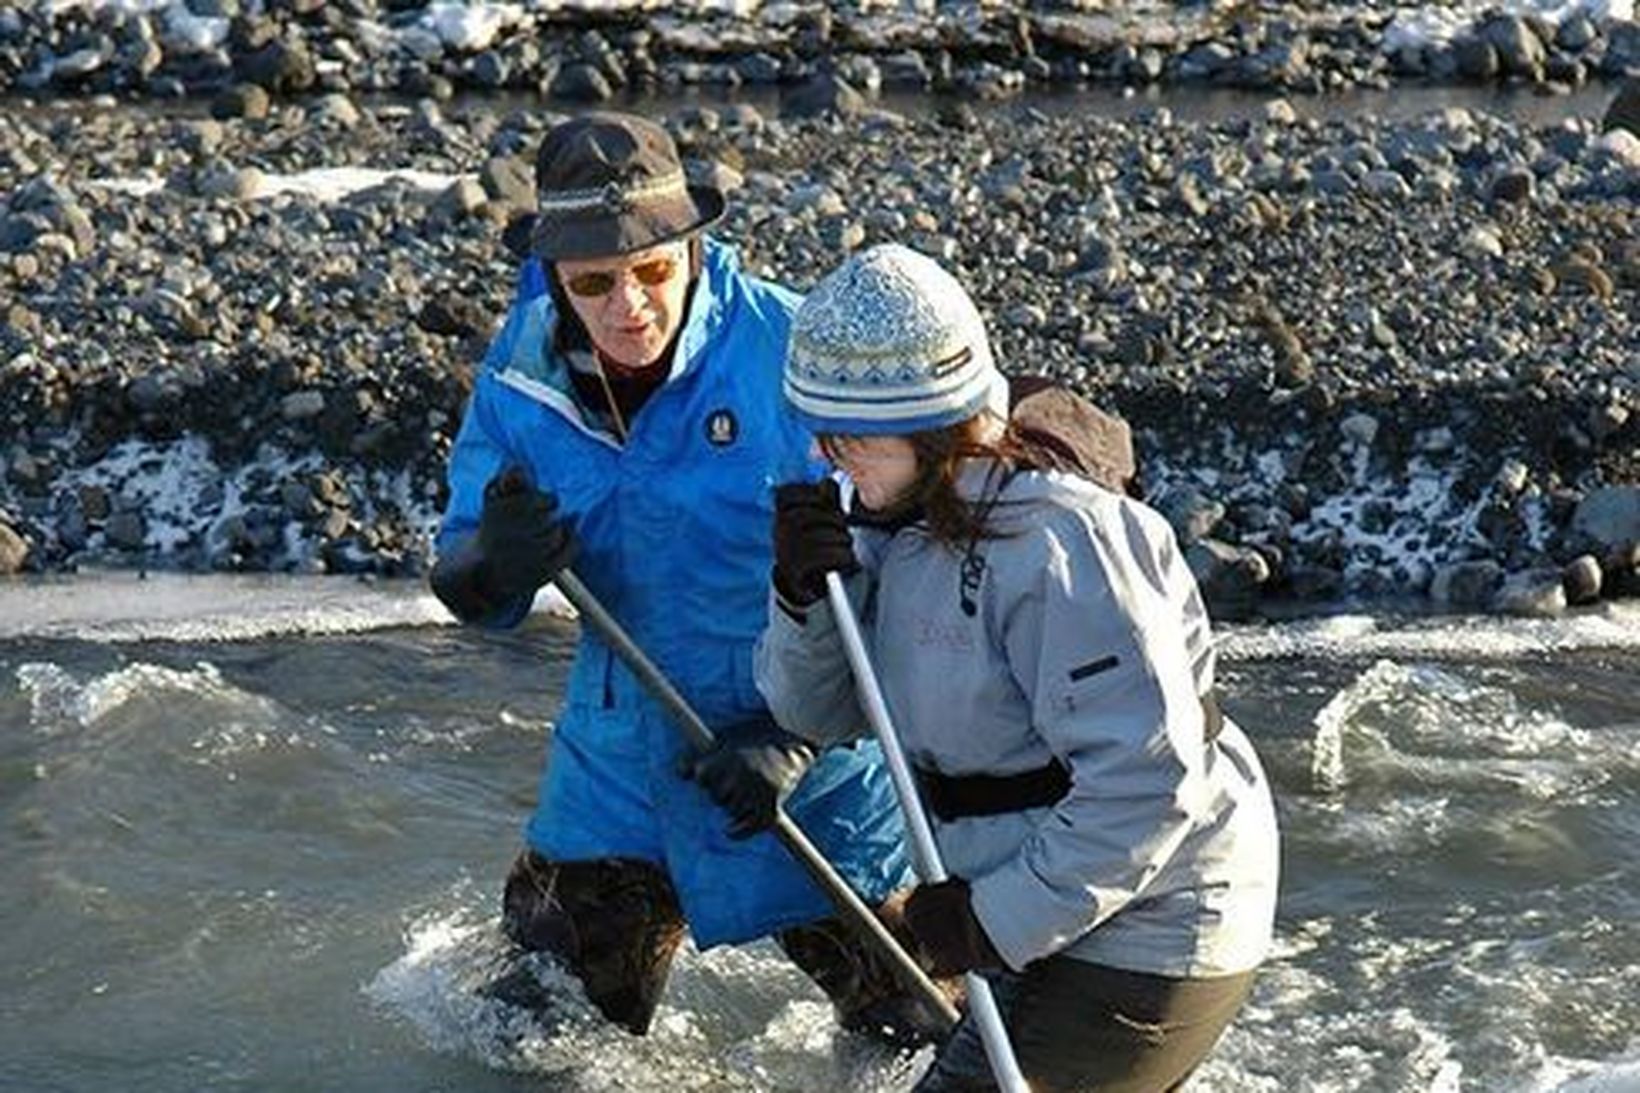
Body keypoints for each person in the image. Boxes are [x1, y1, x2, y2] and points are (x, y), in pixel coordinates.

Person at [428, 112, 931, 1042]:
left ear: (693, 247)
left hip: (821, 769)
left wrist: (798, 734)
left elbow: (914, 569)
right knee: (526, 1043)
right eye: (595, 282)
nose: (631, 304)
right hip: (619, 772)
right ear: (552, 276)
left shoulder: (795, 353)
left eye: (655, 269)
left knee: (921, 1038)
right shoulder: (517, 378)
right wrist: (492, 559)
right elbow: (464, 583)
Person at [749, 244, 1281, 1092]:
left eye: (849, 434)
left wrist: (993, 921)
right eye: (819, 428)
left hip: (1154, 914)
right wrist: (804, 594)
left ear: (931, 422)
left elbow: (1148, 780)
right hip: (1043, 894)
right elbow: (815, 714)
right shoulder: (885, 523)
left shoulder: (1066, 547)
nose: (826, 454)